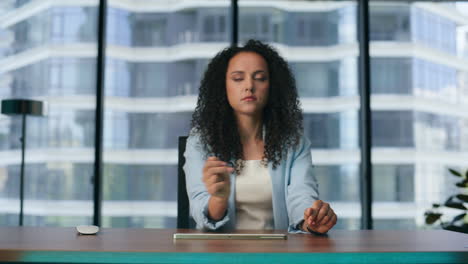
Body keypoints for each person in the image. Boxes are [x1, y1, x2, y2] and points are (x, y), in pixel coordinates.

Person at [183, 39, 337, 234]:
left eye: (260, 78)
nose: (249, 86)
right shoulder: (200, 142)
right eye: (238, 78)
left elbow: (301, 196)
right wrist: (219, 199)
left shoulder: (294, 143)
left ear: (272, 87)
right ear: (223, 87)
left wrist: (312, 220)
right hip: (220, 255)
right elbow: (199, 209)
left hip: (277, 256)